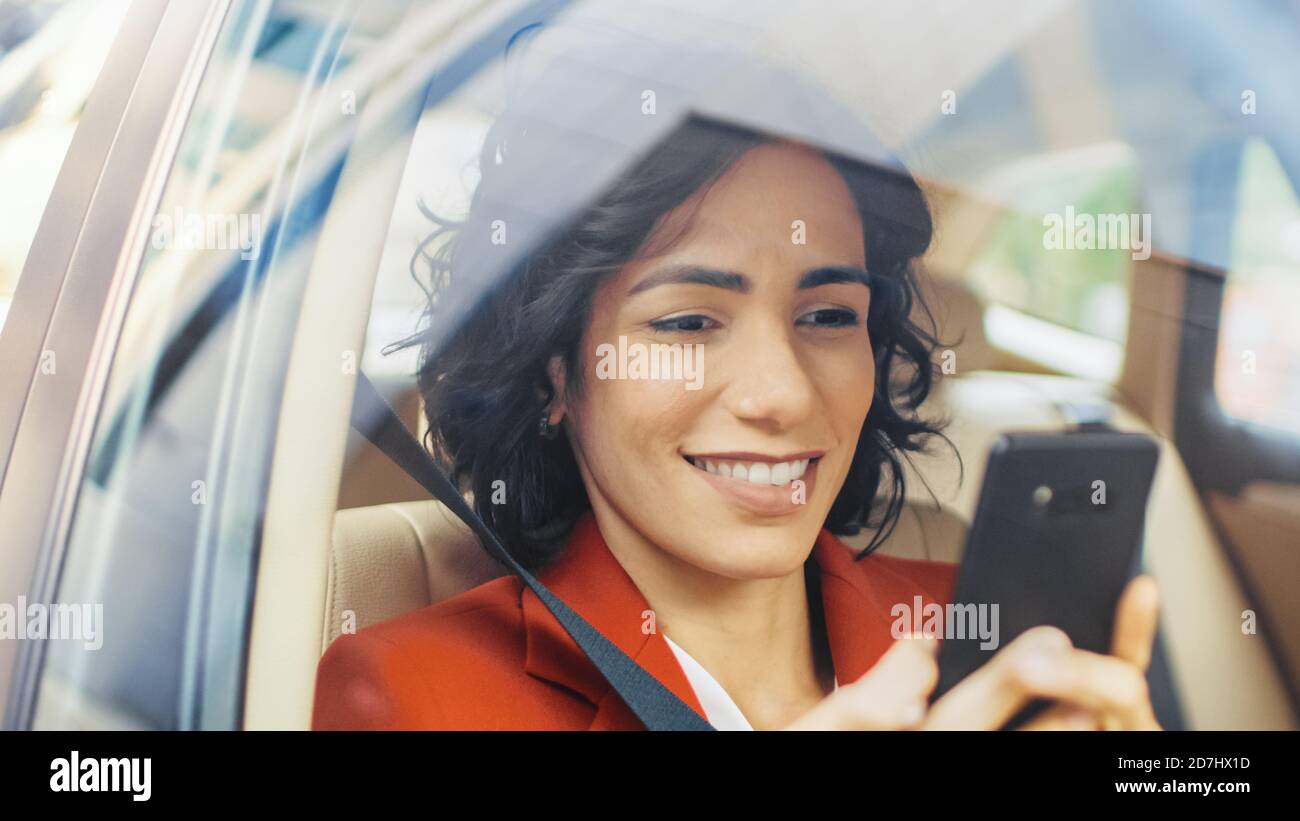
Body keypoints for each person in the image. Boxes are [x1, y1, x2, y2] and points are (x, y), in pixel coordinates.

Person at [313, 37, 1161, 731]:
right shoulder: (411, 694)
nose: (783, 395)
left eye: (829, 316)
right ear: (556, 370)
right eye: (687, 323)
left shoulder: (988, 636)